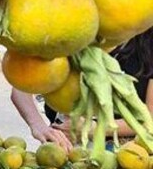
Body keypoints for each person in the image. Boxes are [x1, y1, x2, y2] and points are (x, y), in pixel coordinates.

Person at [13, 26, 153, 151]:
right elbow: (20, 90)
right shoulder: (75, 32)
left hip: (125, 156)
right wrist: (38, 126)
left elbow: (150, 118)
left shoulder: (147, 44)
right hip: (63, 151)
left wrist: (94, 129)